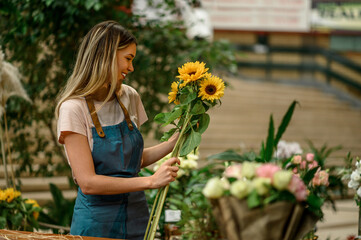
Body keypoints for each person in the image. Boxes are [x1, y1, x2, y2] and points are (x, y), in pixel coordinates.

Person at [55, 20, 180, 240]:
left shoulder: (129, 96)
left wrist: (175, 142)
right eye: (128, 59)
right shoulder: (73, 109)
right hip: (96, 224)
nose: (131, 68)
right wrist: (151, 181)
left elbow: (132, 161)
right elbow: (88, 182)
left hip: (136, 217)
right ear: (106, 56)